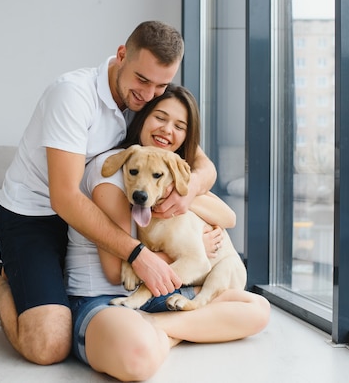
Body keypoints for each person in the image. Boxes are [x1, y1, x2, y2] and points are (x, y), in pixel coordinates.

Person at [0, 21, 219, 365]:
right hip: (34, 216)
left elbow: (200, 160)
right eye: (142, 80)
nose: (150, 94)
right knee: (48, 345)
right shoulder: (73, 95)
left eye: (160, 85)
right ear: (122, 56)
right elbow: (64, 198)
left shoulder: (148, 104)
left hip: (88, 216)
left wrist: (189, 189)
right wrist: (138, 255)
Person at [67, 84, 271, 381]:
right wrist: (192, 247)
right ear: (142, 116)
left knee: (258, 308)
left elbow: (228, 217)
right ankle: (185, 328)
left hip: (164, 289)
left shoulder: (171, 176)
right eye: (159, 117)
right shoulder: (116, 172)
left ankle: (159, 326)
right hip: (106, 296)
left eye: (179, 126)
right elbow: (117, 273)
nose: (167, 130)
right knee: (137, 361)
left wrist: (188, 195)